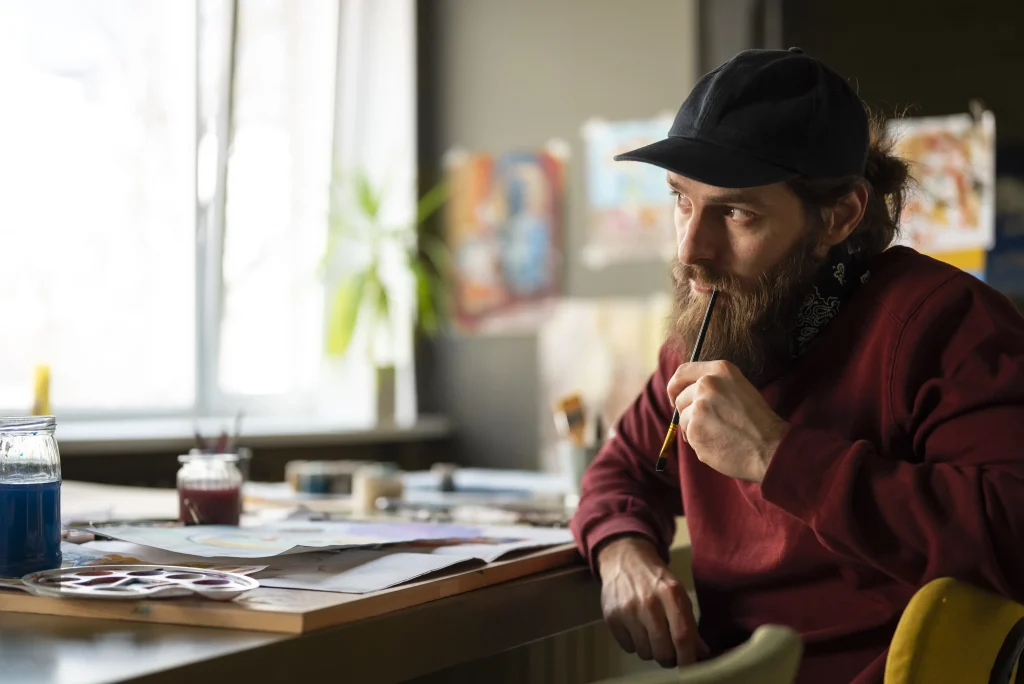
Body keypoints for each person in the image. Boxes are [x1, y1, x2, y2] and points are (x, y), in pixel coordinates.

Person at [569, 47, 1024, 684]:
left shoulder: (945, 324)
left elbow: (1012, 526)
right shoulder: (705, 333)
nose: (691, 249)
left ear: (839, 216)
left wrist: (779, 457)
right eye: (681, 201)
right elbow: (619, 472)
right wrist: (621, 552)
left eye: (735, 212)